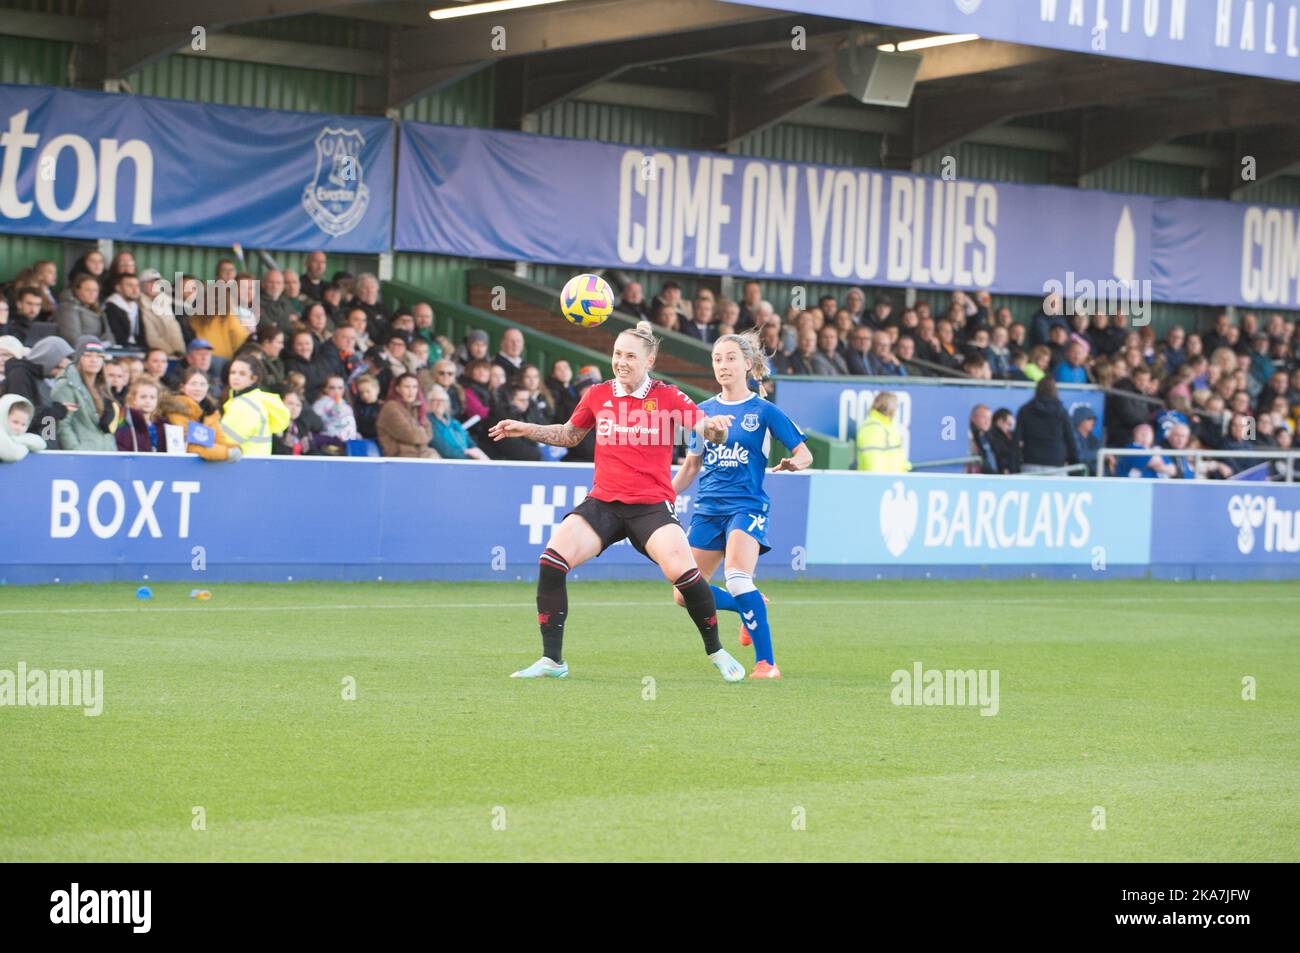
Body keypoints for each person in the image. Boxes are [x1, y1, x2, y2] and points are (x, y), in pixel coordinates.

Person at [489, 320, 745, 683]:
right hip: (603, 504)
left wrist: (716, 426)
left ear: (649, 359)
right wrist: (526, 428)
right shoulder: (597, 394)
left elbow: (706, 428)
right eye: (616, 354)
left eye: (630, 356)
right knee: (551, 560)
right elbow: (569, 435)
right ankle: (552, 660)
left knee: (685, 576)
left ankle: (716, 650)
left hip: (651, 505)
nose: (621, 361)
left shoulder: (668, 397)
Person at [670, 330, 810, 679]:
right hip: (708, 509)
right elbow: (691, 466)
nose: (723, 365)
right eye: (717, 359)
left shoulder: (763, 411)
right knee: (683, 593)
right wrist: (663, 497)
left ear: (748, 364)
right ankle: (753, 604)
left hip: (746, 506)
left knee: (736, 576)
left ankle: (767, 664)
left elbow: (804, 452)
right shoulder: (702, 412)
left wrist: (795, 463)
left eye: (731, 358)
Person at [159, 367, 242, 461]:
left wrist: (234, 448)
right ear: (182, 387)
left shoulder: (211, 412)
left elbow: (220, 441)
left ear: (208, 387)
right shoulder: (176, 410)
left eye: (202, 384)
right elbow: (192, 447)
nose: (198, 389)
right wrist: (226, 453)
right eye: (193, 384)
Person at [51, 338, 118, 451]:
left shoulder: (103, 387)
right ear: (78, 358)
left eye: (99, 356)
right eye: (88, 355)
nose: (94, 360)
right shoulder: (66, 385)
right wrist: (77, 452)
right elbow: (62, 425)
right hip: (81, 457)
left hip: (106, 455)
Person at [220, 356, 290, 457]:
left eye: (242, 374)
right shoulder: (255, 400)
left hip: (243, 465)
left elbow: (226, 440)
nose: (235, 377)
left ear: (253, 379)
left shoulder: (245, 404)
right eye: (233, 372)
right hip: (254, 464)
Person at [1015, 377, 1078, 473]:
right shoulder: (1062, 412)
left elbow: (1016, 440)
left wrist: (1013, 466)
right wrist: (1075, 464)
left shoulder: (1025, 411)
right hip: (1056, 464)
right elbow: (1070, 440)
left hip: (1030, 462)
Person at [377, 372, 437, 458]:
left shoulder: (417, 407)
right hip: (401, 457)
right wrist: (421, 432)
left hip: (422, 454)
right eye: (407, 387)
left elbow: (430, 433)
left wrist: (420, 433)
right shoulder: (390, 407)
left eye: (414, 387)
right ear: (397, 389)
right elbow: (410, 435)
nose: (411, 391)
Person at [428, 384, 488, 460]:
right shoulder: (429, 422)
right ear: (429, 403)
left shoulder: (454, 422)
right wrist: (467, 454)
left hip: (469, 459)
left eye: (442, 400)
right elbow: (443, 449)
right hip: (453, 462)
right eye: (435, 400)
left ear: (447, 403)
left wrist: (476, 452)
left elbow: (470, 443)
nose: (439, 403)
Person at [855, 391, 909, 472]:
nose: (896, 409)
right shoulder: (871, 428)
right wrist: (880, 482)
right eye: (895, 405)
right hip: (878, 482)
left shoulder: (890, 427)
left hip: (894, 482)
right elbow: (872, 460)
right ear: (887, 407)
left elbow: (898, 457)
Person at [115, 377, 164, 452]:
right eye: (143, 397)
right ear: (133, 399)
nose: (148, 401)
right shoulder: (125, 420)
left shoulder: (162, 424)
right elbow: (119, 445)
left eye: (152, 397)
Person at [312, 374, 359, 441]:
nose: (336, 391)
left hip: (349, 441)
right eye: (332, 387)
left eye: (340, 388)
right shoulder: (319, 404)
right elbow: (315, 425)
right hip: (329, 440)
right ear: (325, 389)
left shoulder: (346, 405)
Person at [0, 394, 46, 463]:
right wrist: (26, 447)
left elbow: (41, 444)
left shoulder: (19, 437)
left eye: (23, 424)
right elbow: (13, 454)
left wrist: (17, 440)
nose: (19, 428)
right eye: (15, 422)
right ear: (3, 416)